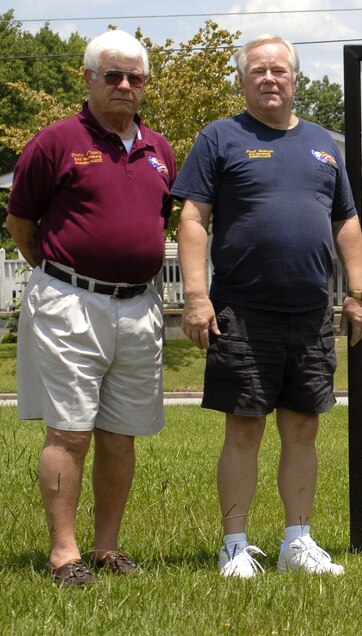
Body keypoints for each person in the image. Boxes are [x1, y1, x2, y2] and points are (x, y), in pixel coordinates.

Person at [172, 34, 362, 578]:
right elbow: (193, 219)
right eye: (258, 70)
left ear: (295, 78)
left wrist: (357, 293)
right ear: (242, 80)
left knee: (303, 428)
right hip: (242, 310)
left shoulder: (324, 143)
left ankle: (296, 542)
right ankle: (234, 545)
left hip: (310, 314)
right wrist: (195, 297)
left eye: (279, 70)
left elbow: (345, 221)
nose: (269, 78)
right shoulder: (219, 138)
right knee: (244, 427)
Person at [6, 30, 175, 587]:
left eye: (135, 77)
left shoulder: (160, 150)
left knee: (120, 432)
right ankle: (63, 554)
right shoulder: (54, 142)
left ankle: (107, 548)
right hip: (70, 300)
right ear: (87, 78)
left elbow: (157, 226)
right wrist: (60, 276)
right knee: (70, 431)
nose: (125, 85)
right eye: (113, 75)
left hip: (138, 306)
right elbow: (21, 224)